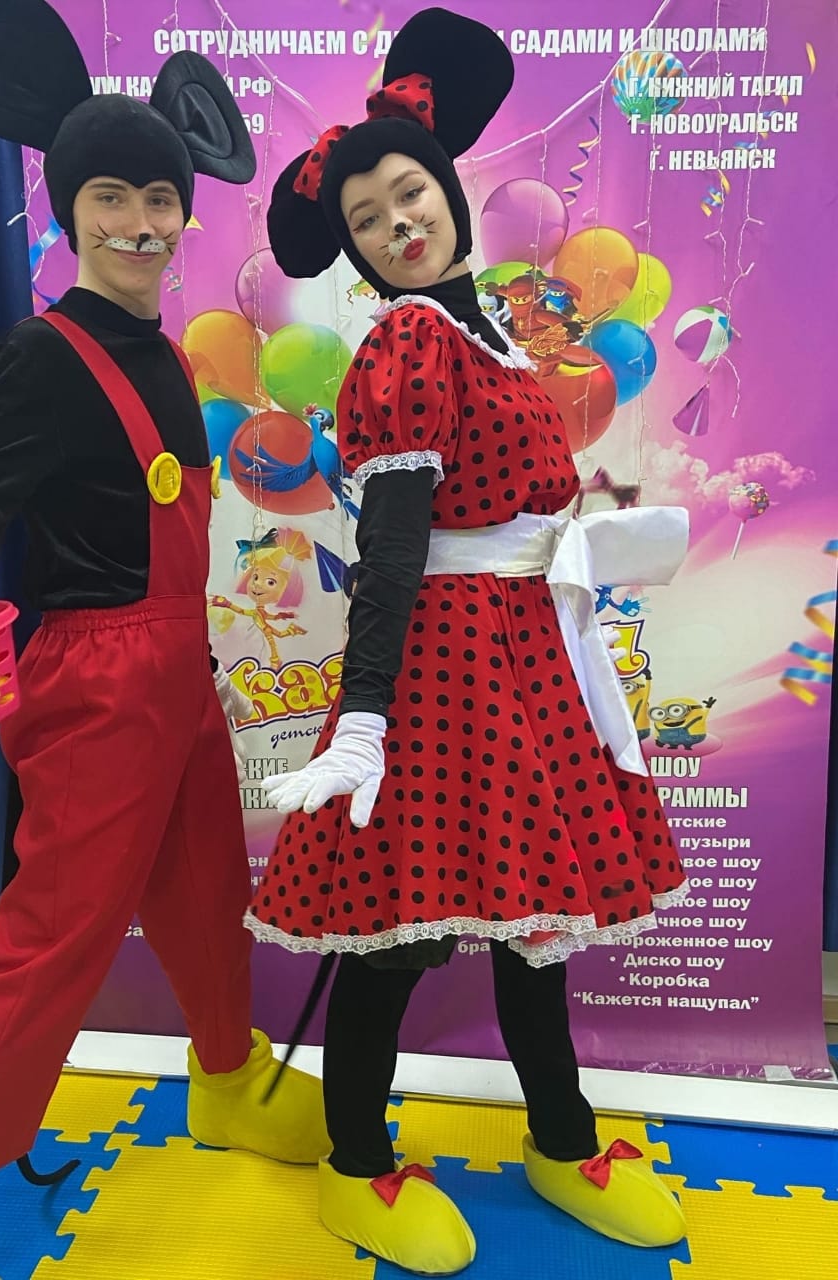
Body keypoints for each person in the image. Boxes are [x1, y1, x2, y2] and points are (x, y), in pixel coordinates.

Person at [0, 1, 327, 1273]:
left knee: (210, 898)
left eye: (160, 198)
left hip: (181, 671)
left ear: (187, 211)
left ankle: (225, 1082)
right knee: (50, 943)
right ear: (69, 208)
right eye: (112, 197)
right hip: (96, 691)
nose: (140, 221)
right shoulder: (41, 355)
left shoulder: (168, 353)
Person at [244, 9, 690, 1275]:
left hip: (526, 654)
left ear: (447, 190)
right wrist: (365, 717)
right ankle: (356, 1161)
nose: (399, 224)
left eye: (411, 194)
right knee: (404, 932)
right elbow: (392, 546)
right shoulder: (406, 341)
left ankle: (562, 1135)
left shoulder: (486, 327)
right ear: (357, 252)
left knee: (532, 918)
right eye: (368, 219)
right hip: (442, 669)